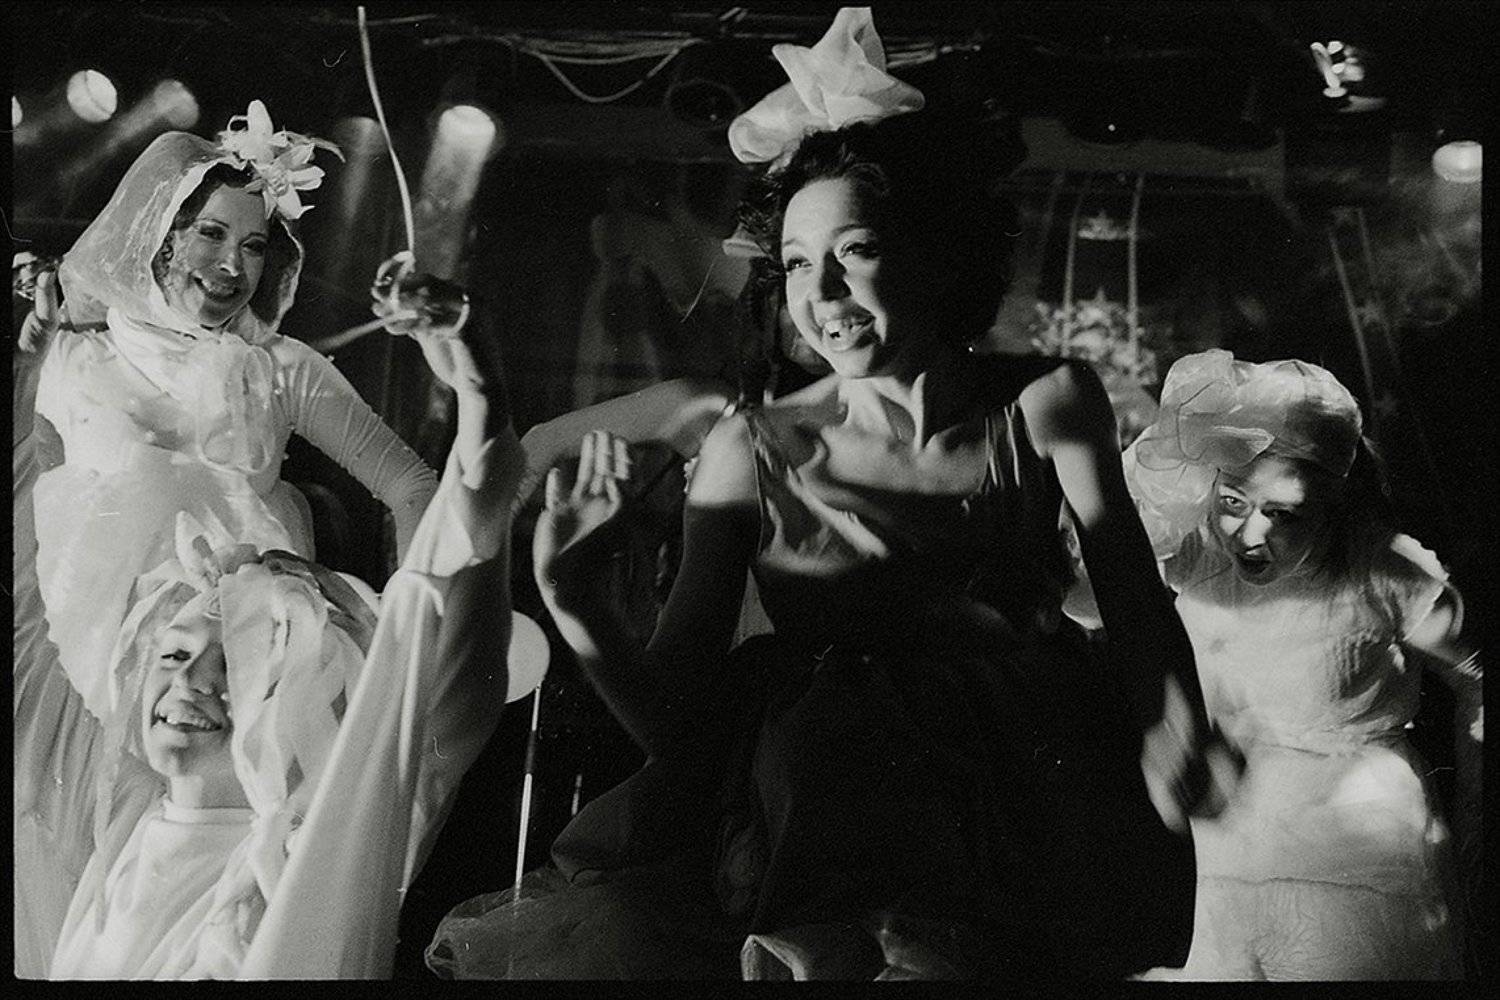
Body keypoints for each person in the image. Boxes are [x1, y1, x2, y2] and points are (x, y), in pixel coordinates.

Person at [428, 8, 1229, 981]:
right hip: (828, 832)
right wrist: (577, 602)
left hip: (1026, 819)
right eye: (800, 263)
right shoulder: (753, 446)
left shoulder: (1049, 401)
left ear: (936, 249)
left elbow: (1138, 605)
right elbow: (676, 728)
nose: (822, 294)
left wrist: (1172, 729)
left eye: (855, 250)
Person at [14, 281, 528, 979]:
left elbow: (451, 640)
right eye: (175, 652)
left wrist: (479, 385)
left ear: (298, 693)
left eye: (237, 664)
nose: (189, 680)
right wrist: (33, 356)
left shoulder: (308, 849)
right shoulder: (123, 814)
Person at [20, 101, 439, 722]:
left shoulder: (279, 368)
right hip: (86, 681)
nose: (232, 268)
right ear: (164, 237)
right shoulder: (72, 356)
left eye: (254, 246)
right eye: (211, 234)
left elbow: (413, 485)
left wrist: (406, 626)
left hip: (235, 687)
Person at [1124, 349, 1482, 980]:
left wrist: (1478, 814)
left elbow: (1478, 674)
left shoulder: (1387, 570)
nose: (1249, 536)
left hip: (1358, 857)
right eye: (1233, 502)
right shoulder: (1195, 556)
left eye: (1282, 514)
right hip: (1228, 847)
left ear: (1334, 504)